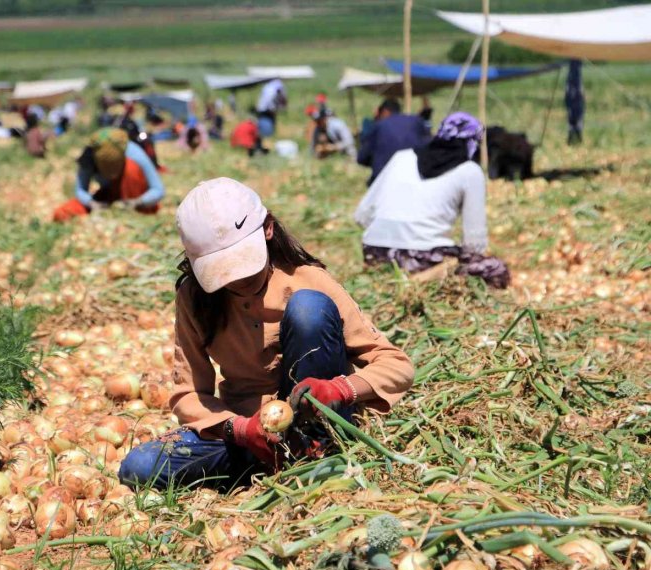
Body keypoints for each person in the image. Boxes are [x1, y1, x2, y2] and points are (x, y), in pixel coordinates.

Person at [118, 178, 414, 490]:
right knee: (139, 467)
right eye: (221, 269)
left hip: (321, 421)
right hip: (251, 432)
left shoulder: (308, 279)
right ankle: (275, 460)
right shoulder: (194, 298)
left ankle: (317, 447)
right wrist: (240, 429)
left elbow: (397, 366)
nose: (236, 278)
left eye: (242, 261)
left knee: (308, 308)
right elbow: (188, 395)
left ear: (268, 228)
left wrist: (340, 390)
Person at [354, 112, 510, 289]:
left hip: (375, 253)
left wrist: (390, 235)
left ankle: (399, 278)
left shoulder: (402, 156)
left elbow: (361, 216)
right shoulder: (470, 171)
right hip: (424, 258)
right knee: (496, 269)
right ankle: (422, 279)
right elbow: (474, 243)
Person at [52, 128, 164, 221]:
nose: (112, 175)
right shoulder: (89, 158)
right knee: (64, 211)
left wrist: (137, 202)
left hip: (134, 199)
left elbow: (158, 190)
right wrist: (92, 203)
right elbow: (80, 190)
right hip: (106, 199)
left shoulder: (134, 153)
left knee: (131, 169)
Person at [357, 98, 431, 185]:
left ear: (384, 112)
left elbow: (362, 158)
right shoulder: (417, 121)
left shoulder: (379, 126)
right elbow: (429, 145)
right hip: (417, 177)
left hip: (385, 180)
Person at [565, 60, 585, 145]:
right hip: (573, 96)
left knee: (577, 112)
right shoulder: (571, 82)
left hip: (576, 96)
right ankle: (573, 136)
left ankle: (576, 136)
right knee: (572, 113)